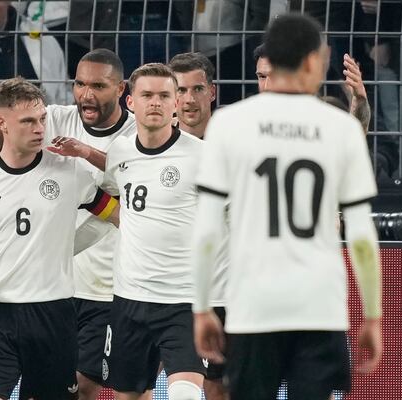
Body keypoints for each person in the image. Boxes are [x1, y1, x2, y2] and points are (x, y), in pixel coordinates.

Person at [192, 13, 382, 400]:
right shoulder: (340, 128)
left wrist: (201, 305)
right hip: (319, 306)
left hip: (252, 305)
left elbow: (207, 227)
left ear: (269, 63)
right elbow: (362, 235)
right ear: (314, 60)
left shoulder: (228, 124)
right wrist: (373, 313)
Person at [0, 48, 139, 400]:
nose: (86, 94)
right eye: (79, 84)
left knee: (90, 387)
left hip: (107, 286)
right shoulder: (52, 118)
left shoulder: (139, 132)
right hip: (51, 286)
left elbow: (141, 176)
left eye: (98, 86)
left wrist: (86, 152)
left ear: (121, 88)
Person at [100, 63, 205, 400]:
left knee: (186, 394)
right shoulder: (119, 152)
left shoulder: (203, 157)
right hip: (129, 299)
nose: (155, 103)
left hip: (184, 301)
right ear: (130, 102)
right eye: (147, 95)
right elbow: (114, 197)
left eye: (164, 95)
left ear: (176, 103)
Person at [169, 52, 227, 400]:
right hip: (165, 288)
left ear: (212, 92)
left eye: (197, 89)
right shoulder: (149, 143)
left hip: (224, 286)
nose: (189, 99)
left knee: (219, 386)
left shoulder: (233, 144)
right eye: (181, 90)